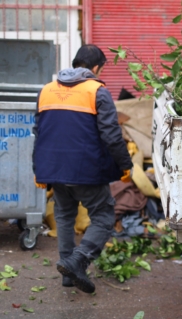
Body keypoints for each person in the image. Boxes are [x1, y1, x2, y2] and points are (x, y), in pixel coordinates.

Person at [32, 45, 133, 293]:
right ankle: (78, 260)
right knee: (103, 217)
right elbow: (111, 135)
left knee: (64, 216)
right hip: (86, 170)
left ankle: (68, 274)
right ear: (96, 67)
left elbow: (39, 133)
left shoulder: (46, 90)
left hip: (54, 169)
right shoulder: (97, 90)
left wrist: (39, 169)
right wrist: (125, 165)